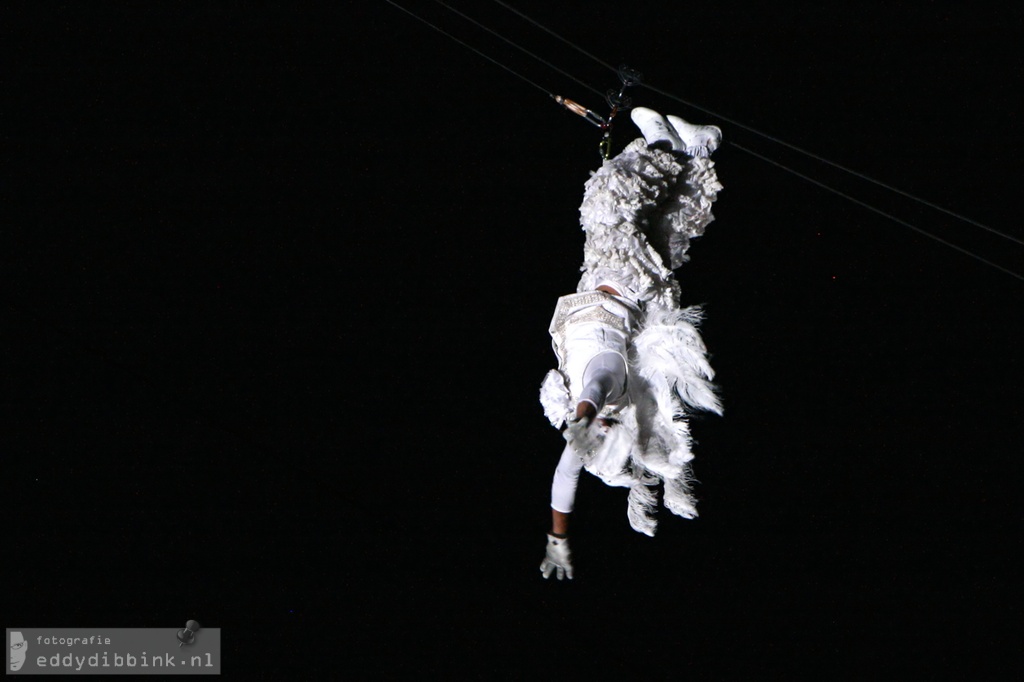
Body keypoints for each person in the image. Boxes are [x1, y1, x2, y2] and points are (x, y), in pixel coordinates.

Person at [538, 107, 725, 581]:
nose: (591, 427)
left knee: (666, 226)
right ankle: (661, 145)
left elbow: (565, 479)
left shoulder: (591, 397)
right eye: (602, 430)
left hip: (622, 287)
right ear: (610, 423)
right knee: (607, 202)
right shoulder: (606, 386)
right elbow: (592, 398)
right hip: (619, 277)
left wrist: (558, 538)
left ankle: (695, 149)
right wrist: (584, 418)